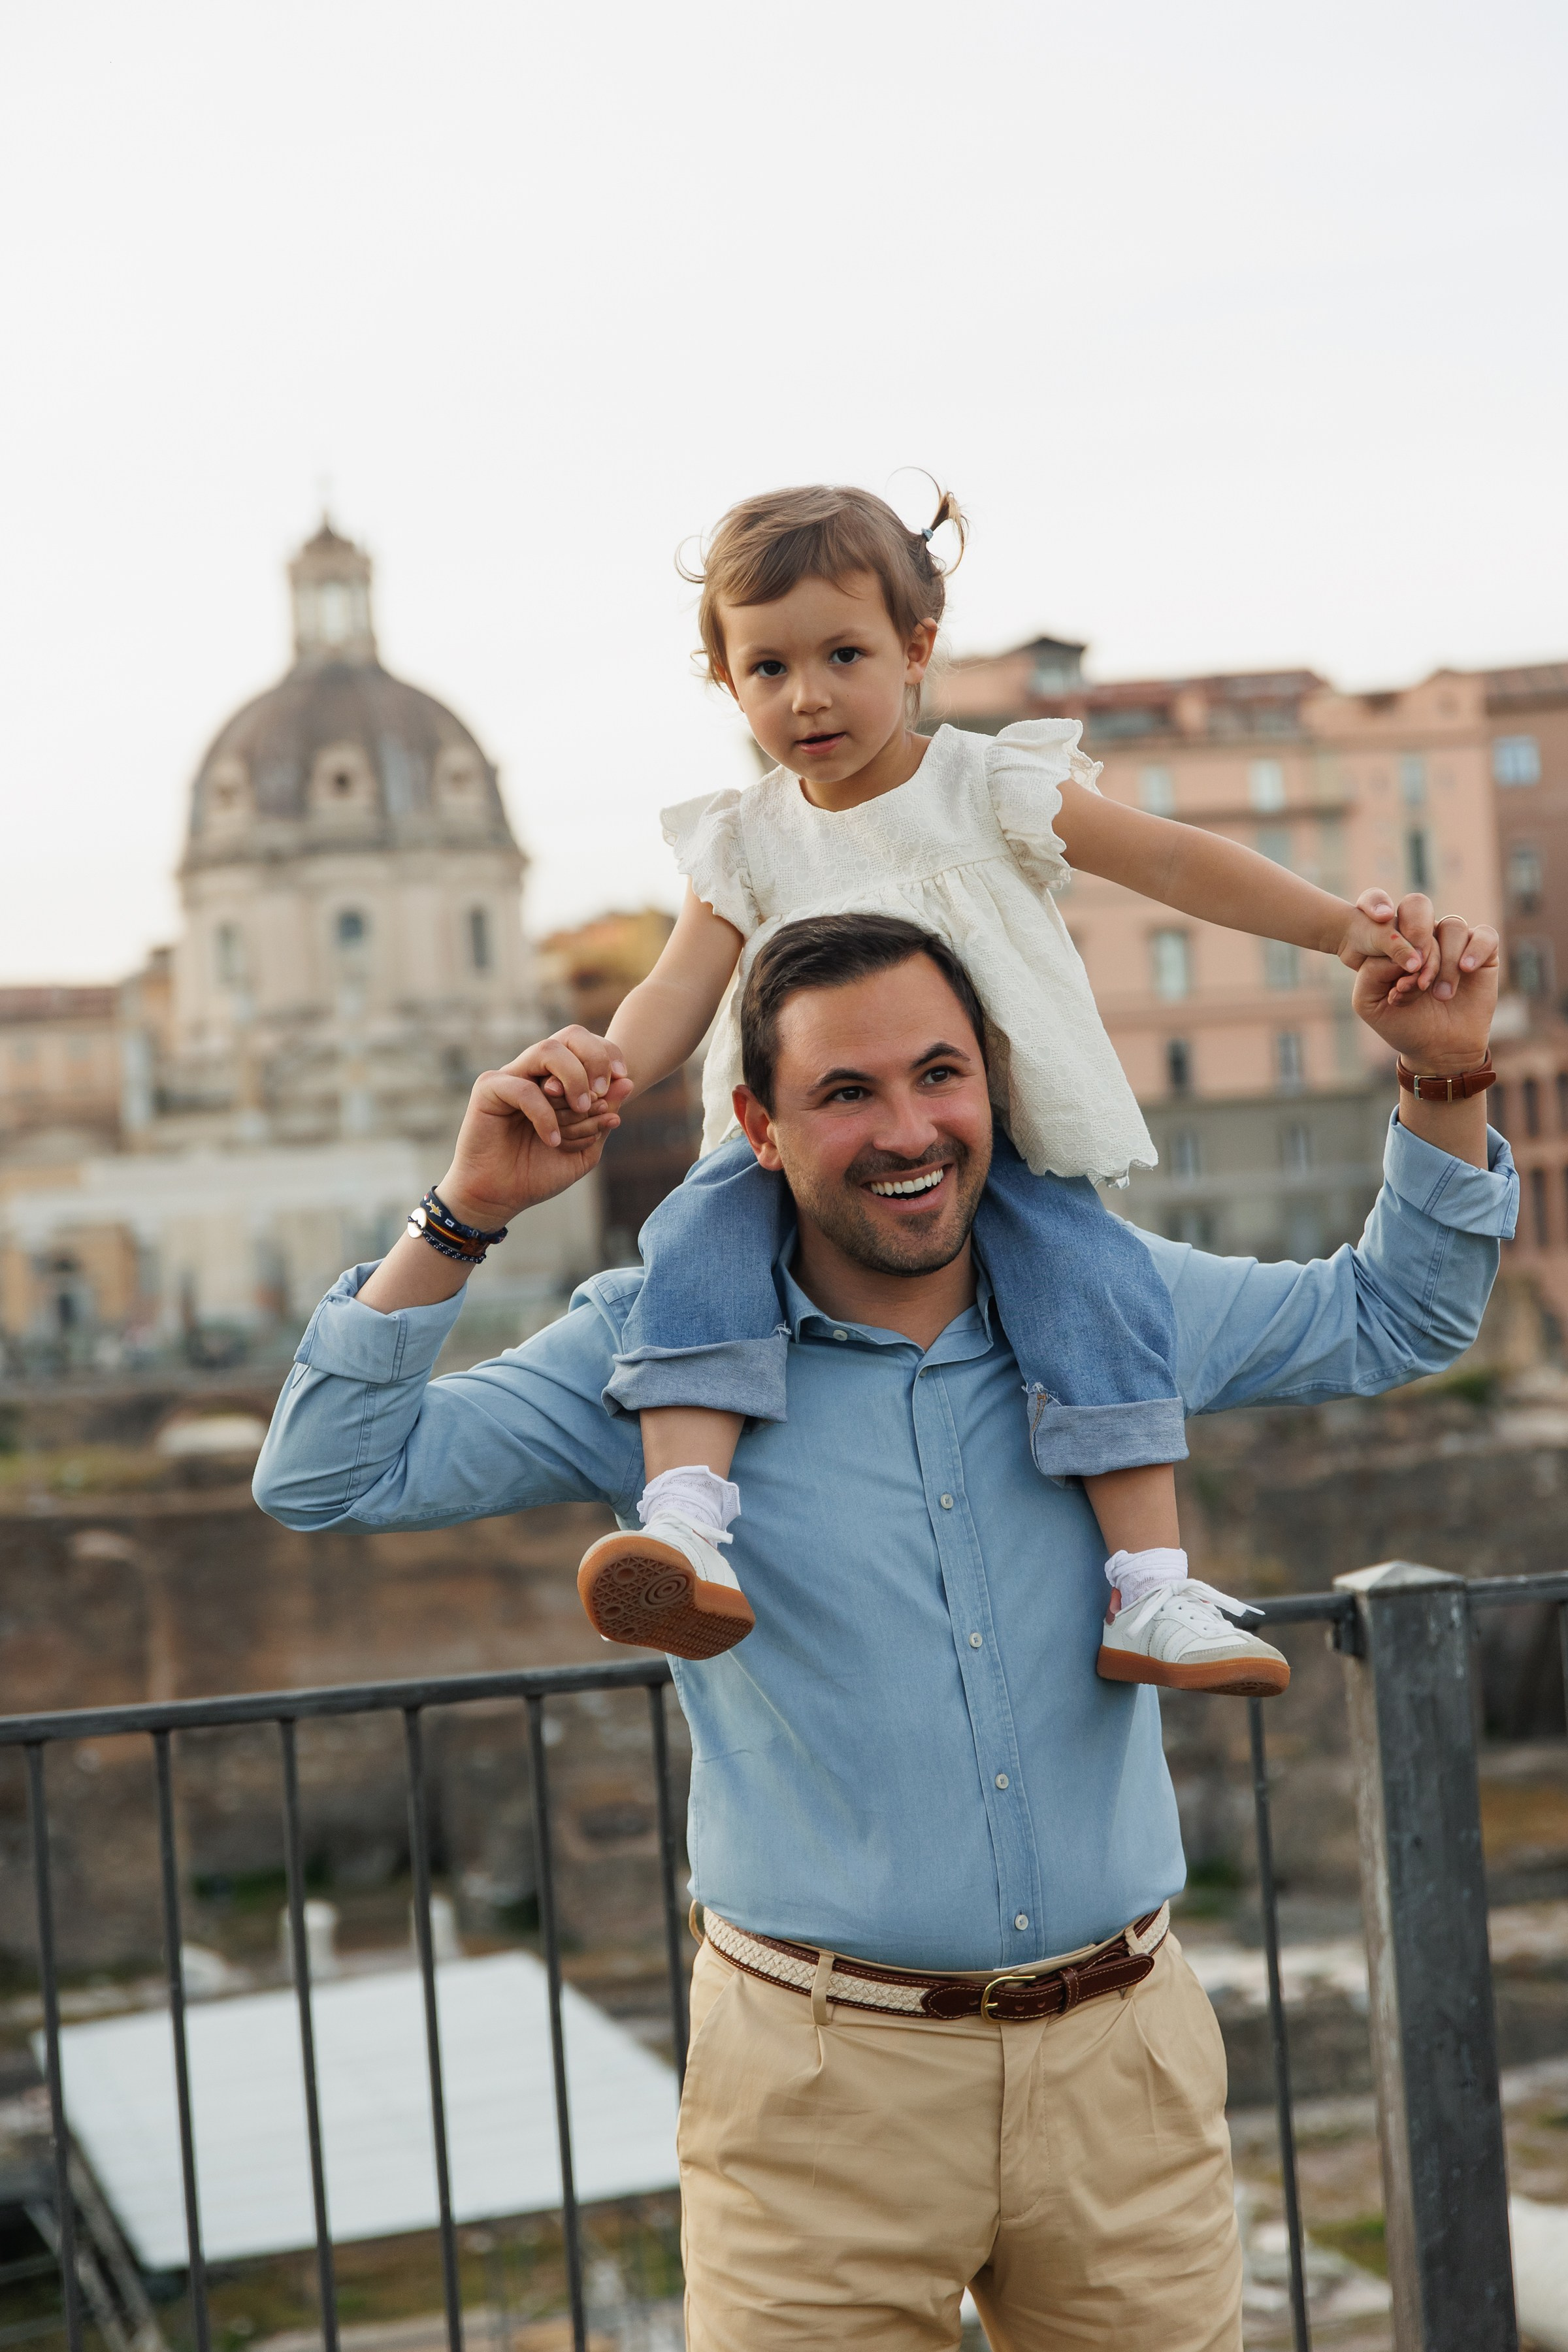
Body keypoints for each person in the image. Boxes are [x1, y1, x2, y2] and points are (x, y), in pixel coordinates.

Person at [255, 907, 1513, 2352]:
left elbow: (1396, 1319)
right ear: (760, 1126)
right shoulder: (649, 1347)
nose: (909, 1131)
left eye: (939, 1075)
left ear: (994, 1085)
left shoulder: (1118, 1303)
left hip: (1125, 2078)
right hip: (818, 2100)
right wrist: (464, 1214)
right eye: (846, 1092)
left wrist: (1443, 1077)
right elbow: (324, 1477)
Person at [497, 482, 1465, 1690]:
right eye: (768, 669)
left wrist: (1338, 931)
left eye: (843, 655)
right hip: (794, 1149)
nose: (808, 696)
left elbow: (1172, 862)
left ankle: (1150, 1589)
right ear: (728, 686)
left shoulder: (987, 785)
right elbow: (678, 988)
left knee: (1094, 1285)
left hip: (981, 1139)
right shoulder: (741, 839)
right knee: (692, 1254)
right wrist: (608, 1067)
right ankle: (686, 1525)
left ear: (915, 651)